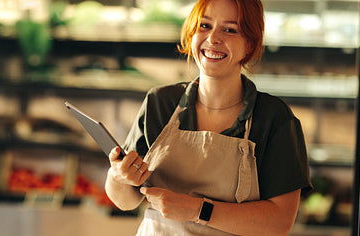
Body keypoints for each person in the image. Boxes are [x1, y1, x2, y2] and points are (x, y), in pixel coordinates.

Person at [104, 0, 312, 235]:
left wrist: (198, 210)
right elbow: (126, 201)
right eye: (204, 26)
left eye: (230, 29)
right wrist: (118, 176)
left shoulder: (273, 118)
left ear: (250, 45)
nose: (213, 38)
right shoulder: (160, 103)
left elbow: (280, 222)